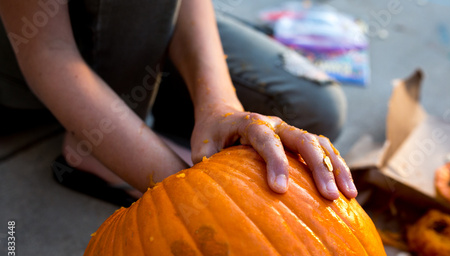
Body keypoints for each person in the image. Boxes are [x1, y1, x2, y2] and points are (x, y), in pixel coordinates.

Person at [0, 0, 357, 207]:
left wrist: (221, 108)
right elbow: (47, 51)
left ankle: (140, 107)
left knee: (312, 107)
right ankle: (95, 150)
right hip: (28, 47)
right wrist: (189, 195)